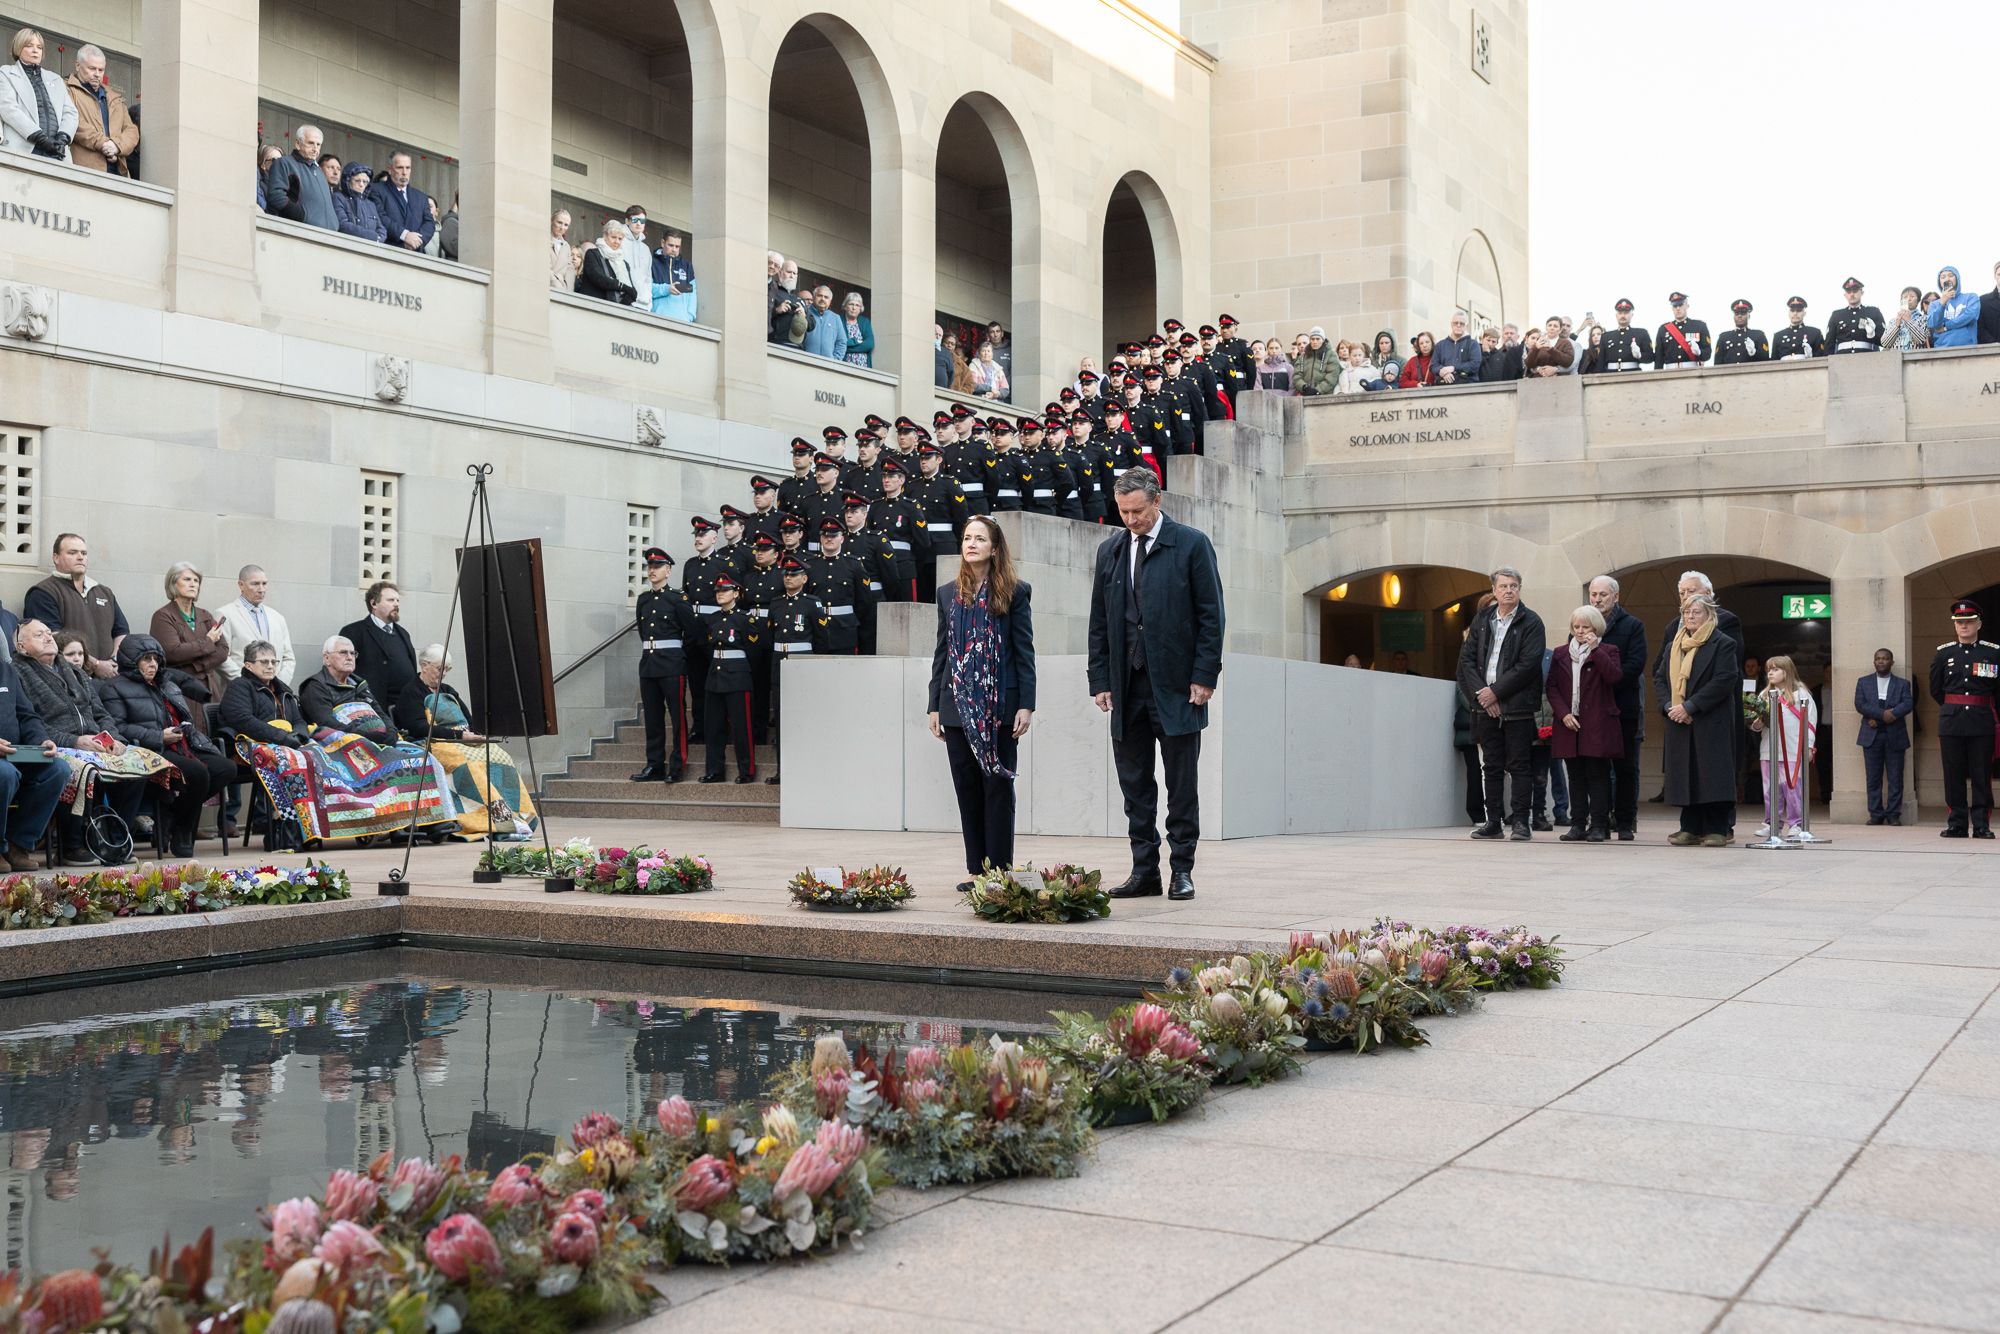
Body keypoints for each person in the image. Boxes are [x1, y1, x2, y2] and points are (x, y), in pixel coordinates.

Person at [1088, 468, 1225, 901]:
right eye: (1123, 512)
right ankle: (1143, 870)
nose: (1130, 520)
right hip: (1127, 687)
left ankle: (1181, 870)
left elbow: (1211, 615)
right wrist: (1100, 679)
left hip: (1178, 688)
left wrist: (1205, 676)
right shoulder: (1110, 551)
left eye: (1138, 511)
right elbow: (1098, 624)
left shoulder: (1191, 544)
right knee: (1135, 786)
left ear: (1157, 501)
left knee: (1181, 785)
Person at [928, 514, 1035, 886]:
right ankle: (977, 871)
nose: (971, 544)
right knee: (967, 788)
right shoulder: (946, 593)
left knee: (998, 787)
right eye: (967, 537)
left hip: (999, 708)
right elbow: (942, 653)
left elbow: (1024, 652)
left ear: (994, 548)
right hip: (956, 706)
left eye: (980, 539)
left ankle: (1000, 871)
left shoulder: (1015, 591)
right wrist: (934, 705)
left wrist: (1026, 703)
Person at [15, 621, 172, 865]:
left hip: (96, 742)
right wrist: (75, 741)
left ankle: (115, 840)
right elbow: (30, 723)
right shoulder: (18, 672)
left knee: (139, 762)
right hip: (58, 744)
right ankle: (72, 845)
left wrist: (114, 739)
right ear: (22, 647)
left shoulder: (73, 670)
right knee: (81, 769)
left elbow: (101, 713)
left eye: (49, 633)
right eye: (39, 635)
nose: (48, 638)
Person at [99, 635, 235, 858]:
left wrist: (186, 731)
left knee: (225, 768)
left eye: (156, 659)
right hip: (151, 750)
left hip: (181, 744)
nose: (153, 664)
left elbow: (182, 716)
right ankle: (183, 832)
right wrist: (157, 737)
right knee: (198, 773)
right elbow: (119, 728)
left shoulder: (167, 684)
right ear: (131, 660)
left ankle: (171, 815)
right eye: (146, 659)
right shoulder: (113, 688)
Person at [396, 645, 536, 838]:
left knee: (499, 757)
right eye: (440, 668)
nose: (444, 673)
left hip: (462, 740)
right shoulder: (411, 692)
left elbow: (469, 720)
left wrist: (477, 734)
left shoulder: (448, 690)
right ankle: (500, 821)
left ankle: (518, 815)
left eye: (447, 669)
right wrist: (459, 737)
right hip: (433, 742)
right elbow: (419, 728)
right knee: (467, 766)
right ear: (424, 665)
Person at [1454, 567, 1546, 840]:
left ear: (1520, 589)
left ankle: (1520, 823)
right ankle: (1493, 822)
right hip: (1484, 706)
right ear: (1493, 590)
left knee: (1519, 765)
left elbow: (1527, 665)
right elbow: (1466, 661)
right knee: (1490, 766)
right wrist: (1483, 695)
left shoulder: (1531, 622)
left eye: (1514, 585)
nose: (1509, 590)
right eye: (1504, 586)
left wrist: (1496, 693)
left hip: (1517, 706)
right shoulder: (1482, 619)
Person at [1656, 594, 1739, 846]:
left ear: (1709, 615)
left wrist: (1691, 707)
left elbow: (1724, 679)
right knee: (1686, 775)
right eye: (1686, 613)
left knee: (1712, 775)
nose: (1690, 617)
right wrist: (1670, 706)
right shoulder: (1674, 645)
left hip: (1709, 720)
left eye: (1696, 612)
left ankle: (1717, 828)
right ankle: (1689, 827)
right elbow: (1659, 678)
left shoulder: (1723, 643)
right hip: (1679, 720)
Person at [1546, 605, 1622, 842]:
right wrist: (1563, 714)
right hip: (1569, 721)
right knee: (1575, 775)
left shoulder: (1608, 650)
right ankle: (1577, 824)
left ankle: (1599, 825)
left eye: (1586, 627)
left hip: (1597, 722)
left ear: (1596, 628)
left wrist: (1595, 649)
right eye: (1576, 627)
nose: (1580, 631)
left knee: (1597, 774)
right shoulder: (1560, 653)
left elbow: (1614, 677)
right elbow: (1552, 687)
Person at [1928, 599, 1999, 838]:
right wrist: (1955, 708)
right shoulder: (1943, 653)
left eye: (1968, 622)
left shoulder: (1993, 653)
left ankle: (1981, 824)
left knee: (1981, 775)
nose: (1964, 626)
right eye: (1959, 622)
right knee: (1953, 774)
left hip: (1981, 722)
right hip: (1952, 722)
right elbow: (1936, 690)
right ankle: (1957, 823)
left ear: (1979, 623)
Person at [630, 547, 699, 783]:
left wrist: (677, 655)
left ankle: (677, 765)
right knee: (653, 717)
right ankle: (654, 764)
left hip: (671, 664)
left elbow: (692, 632)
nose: (652, 571)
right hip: (649, 664)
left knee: (678, 717)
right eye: (649, 567)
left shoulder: (677, 599)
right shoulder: (644, 599)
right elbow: (643, 632)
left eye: (657, 567)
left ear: (668, 571)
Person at [1588, 575, 1648, 840]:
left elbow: (1636, 665)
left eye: (1603, 594)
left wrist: (1610, 680)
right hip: (1593, 710)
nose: (1597, 599)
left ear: (1616, 596)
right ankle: (1598, 823)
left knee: (1625, 768)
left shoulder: (1633, 626)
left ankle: (1625, 822)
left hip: (1623, 708)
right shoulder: (1583, 625)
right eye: (1593, 594)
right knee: (1597, 769)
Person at [24, 533, 129, 680]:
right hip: (69, 680)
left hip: (111, 676)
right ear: (56, 558)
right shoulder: (43, 592)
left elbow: (121, 631)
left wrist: (114, 661)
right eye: (72, 553)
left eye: (84, 553)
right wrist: (96, 665)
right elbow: (52, 639)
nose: (80, 557)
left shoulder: (104, 592)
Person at [0, 643, 65, 871]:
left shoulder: (6, 671)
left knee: (58, 769)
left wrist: (41, 740)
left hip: (14, 752)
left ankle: (18, 845)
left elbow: (27, 715)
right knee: (4, 774)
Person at [148, 562, 228, 740]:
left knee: (214, 737)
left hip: (210, 688)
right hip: (182, 689)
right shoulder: (163, 616)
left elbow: (223, 650)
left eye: (196, 580)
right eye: (187, 579)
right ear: (173, 583)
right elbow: (172, 652)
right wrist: (207, 642)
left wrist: (197, 664)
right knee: (189, 738)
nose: (193, 584)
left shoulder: (205, 614)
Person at [1748, 655, 1817, 841]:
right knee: (1770, 789)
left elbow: (1810, 722)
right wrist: (1757, 722)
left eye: (1775, 669)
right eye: (1769, 669)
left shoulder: (1801, 694)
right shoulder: (1764, 695)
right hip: (1769, 749)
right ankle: (1772, 824)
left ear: (1786, 672)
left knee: (1793, 788)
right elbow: (1755, 726)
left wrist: (1809, 746)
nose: (1770, 672)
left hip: (1793, 749)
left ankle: (1796, 824)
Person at [696, 573, 758, 784]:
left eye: (724, 590)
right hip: (715, 676)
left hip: (737, 676)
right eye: (717, 591)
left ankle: (747, 770)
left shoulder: (745, 619)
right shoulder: (711, 619)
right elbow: (706, 647)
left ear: (736, 594)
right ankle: (715, 770)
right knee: (713, 728)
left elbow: (754, 651)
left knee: (741, 727)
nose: (720, 594)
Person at [339, 581, 420, 710]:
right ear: (373, 603)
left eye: (398, 600)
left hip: (406, 706)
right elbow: (342, 672)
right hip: (375, 707)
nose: (396, 604)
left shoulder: (403, 633)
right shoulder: (353, 632)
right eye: (390, 600)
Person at [1855, 647, 1913, 825]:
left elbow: (1908, 703)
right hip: (1871, 736)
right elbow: (1860, 704)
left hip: (1895, 735)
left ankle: (1894, 814)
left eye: (1885, 658)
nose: (1881, 661)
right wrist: (1883, 716)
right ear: (1874, 662)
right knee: (1873, 777)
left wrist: (1880, 719)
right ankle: (1876, 814)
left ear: (1892, 662)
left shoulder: (1903, 684)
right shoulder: (1863, 682)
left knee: (1896, 777)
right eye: (1878, 658)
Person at [0, 28, 76, 162]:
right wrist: (40, 138)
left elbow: (70, 112)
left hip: (57, 153)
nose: (35, 50)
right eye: (29, 46)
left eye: (39, 47)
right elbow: (9, 109)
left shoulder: (55, 79)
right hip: (24, 149)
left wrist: (62, 138)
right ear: (18, 48)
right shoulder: (6, 73)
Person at [216, 565, 296, 686]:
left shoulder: (278, 618)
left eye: (264, 583)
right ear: (241, 585)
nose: (261, 589)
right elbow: (221, 656)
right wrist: (247, 683)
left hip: (274, 693)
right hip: (241, 693)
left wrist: (279, 685)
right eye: (255, 584)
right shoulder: (225, 614)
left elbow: (288, 658)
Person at [62, 45, 135, 175]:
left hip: (118, 172)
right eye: (92, 68)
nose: (97, 74)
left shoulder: (115, 97)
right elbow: (75, 122)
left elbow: (132, 131)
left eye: (101, 70)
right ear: (78, 66)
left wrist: (117, 146)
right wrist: (104, 143)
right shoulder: (66, 89)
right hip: (84, 171)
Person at [262, 125, 337, 230]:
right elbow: (276, 196)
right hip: (300, 233)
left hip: (328, 236)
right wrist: (303, 216)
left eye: (318, 144)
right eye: (310, 143)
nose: (315, 149)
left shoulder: (319, 171)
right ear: (298, 144)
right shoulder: (284, 163)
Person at [366, 151, 435, 253]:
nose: (404, 172)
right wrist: (404, 235)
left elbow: (429, 223)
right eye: (400, 167)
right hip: (388, 252)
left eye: (408, 168)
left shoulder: (421, 197)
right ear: (390, 169)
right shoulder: (376, 189)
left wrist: (416, 241)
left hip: (416, 254)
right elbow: (380, 217)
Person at [578, 220, 639, 304]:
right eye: (613, 237)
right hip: (591, 306)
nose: (617, 241)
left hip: (614, 311)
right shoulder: (592, 254)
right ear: (605, 236)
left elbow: (632, 292)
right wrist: (622, 286)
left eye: (620, 239)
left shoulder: (624, 263)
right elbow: (599, 279)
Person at [331, 162, 386, 242]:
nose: (361, 184)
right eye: (357, 181)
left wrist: (378, 238)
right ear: (348, 180)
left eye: (365, 182)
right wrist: (372, 236)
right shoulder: (338, 197)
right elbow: (343, 225)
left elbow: (381, 229)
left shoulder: (371, 204)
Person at [1653, 292, 1710, 369]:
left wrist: (1699, 352)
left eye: (1680, 305)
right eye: (1675, 305)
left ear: (1687, 306)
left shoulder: (1699, 326)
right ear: (1672, 308)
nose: (1678, 308)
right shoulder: (1663, 329)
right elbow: (1658, 358)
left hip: (1692, 371)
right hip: (1670, 373)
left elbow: (1708, 353)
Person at [1927, 267, 1980, 348]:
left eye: (1951, 275)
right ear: (1939, 282)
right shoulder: (1934, 304)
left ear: (1957, 278)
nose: (1947, 279)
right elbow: (1933, 324)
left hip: (1968, 348)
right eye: (1943, 277)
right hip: (1942, 349)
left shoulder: (1971, 297)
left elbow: (1970, 315)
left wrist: (1946, 326)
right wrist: (1942, 302)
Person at [1827, 278, 1884, 354]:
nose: (1852, 294)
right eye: (1848, 291)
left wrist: (1872, 335)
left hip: (1868, 358)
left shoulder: (1873, 312)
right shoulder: (1836, 315)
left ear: (1862, 292)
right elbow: (1829, 343)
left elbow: (1884, 341)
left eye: (1855, 290)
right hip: (1842, 360)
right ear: (1845, 295)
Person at [653, 230, 697, 321]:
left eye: (677, 247)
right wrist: (667, 289)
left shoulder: (687, 266)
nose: (674, 250)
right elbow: (645, 288)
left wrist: (689, 317)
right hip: (657, 319)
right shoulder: (652, 262)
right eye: (671, 245)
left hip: (682, 321)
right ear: (662, 243)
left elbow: (692, 293)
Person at [1598, 299, 1652, 373]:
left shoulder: (1641, 333)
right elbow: (1600, 363)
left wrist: (1639, 355)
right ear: (1616, 315)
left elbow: (1650, 357)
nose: (1623, 315)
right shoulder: (1606, 336)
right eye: (1620, 313)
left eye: (1626, 312)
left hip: (1633, 375)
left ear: (1632, 315)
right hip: (1610, 376)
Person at [1714, 299, 1769, 365]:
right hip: (1729, 374)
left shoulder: (1759, 335)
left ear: (1749, 316)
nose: (1739, 316)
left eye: (1743, 313)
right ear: (1734, 316)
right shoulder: (1723, 337)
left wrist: (1754, 352)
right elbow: (1717, 362)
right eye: (1737, 313)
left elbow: (1766, 360)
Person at [1433, 312, 1482, 384]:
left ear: (1466, 326)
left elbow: (1474, 365)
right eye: (1456, 323)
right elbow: (1433, 365)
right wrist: (1442, 371)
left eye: (1462, 323)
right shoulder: (1440, 345)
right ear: (1451, 324)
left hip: (1467, 387)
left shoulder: (1473, 344)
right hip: (1444, 387)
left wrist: (1453, 368)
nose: (1458, 325)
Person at [1771, 296, 1824, 361]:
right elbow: (1773, 360)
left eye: (1799, 311)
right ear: (1789, 313)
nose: (1795, 313)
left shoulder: (1815, 333)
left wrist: (1811, 356)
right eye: (1792, 310)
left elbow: (1821, 357)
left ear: (1804, 313)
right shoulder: (1778, 336)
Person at [1294, 327, 1338, 396]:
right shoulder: (1302, 357)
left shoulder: (1331, 354)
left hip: (1325, 396)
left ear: (1323, 340)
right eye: (1312, 339)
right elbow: (1296, 376)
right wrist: (1304, 387)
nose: (1315, 341)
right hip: (1306, 396)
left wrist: (1318, 390)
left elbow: (1332, 376)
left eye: (1318, 339)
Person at [1883, 286, 1930, 351]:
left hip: (1916, 358)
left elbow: (1922, 340)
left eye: (1912, 296)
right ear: (1901, 301)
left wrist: (1909, 321)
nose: (1908, 299)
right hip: (1896, 359)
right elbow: (1885, 343)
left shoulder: (1924, 318)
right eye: (1905, 297)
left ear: (1918, 301)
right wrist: (1896, 326)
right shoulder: (1893, 321)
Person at [838, 292, 875, 368]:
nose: (854, 308)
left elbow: (869, 344)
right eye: (851, 304)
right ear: (845, 306)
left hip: (864, 367)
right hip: (844, 366)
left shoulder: (865, 322)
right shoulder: (838, 320)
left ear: (860, 309)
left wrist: (847, 347)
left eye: (857, 305)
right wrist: (856, 341)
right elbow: (838, 343)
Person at [549, 210, 576, 292]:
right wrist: (558, 286)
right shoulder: (542, 238)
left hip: (562, 291)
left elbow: (570, 271)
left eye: (566, 225)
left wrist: (568, 291)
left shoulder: (566, 246)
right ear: (551, 221)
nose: (562, 228)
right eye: (559, 222)